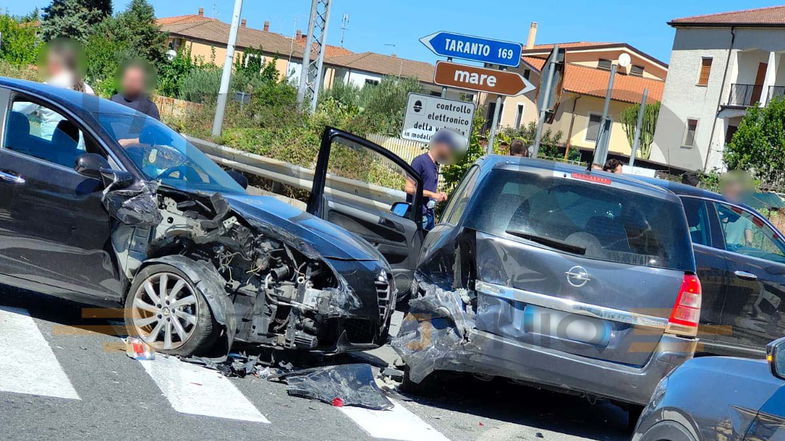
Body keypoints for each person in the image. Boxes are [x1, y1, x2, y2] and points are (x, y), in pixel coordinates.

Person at [15, 39, 94, 141]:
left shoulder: (48, 88)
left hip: (52, 151)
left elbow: (18, 107)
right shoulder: (88, 90)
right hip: (80, 153)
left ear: (55, 65)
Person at [405, 129, 467, 230]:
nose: (450, 152)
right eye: (450, 149)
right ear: (441, 145)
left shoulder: (434, 164)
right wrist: (432, 195)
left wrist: (438, 194)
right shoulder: (420, 162)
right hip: (417, 216)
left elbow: (426, 187)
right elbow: (408, 188)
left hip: (429, 215)